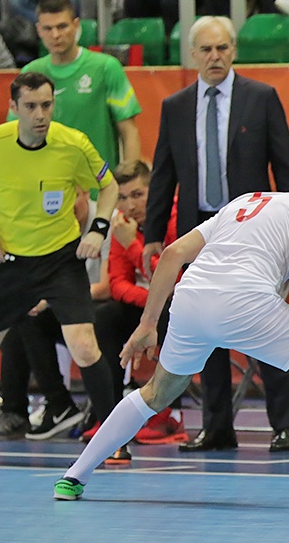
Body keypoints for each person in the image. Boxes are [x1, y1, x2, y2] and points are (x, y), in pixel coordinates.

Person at [54, 174, 289, 504]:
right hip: (246, 301)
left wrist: (148, 324)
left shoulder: (243, 202)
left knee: (155, 393)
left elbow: (172, 254)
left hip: (191, 299)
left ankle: (74, 476)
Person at [143, 16, 289, 454]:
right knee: (203, 326)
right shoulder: (176, 106)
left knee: (266, 324)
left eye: (222, 49)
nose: (215, 57)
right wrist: (154, 234)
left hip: (254, 234)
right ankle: (216, 427)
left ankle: (284, 425)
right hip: (200, 231)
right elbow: (164, 174)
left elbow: (286, 170)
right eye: (206, 50)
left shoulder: (261, 98)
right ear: (192, 55)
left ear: (233, 51)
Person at [0, 72, 123, 459]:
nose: (40, 114)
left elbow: (109, 186)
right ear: (14, 108)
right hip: (10, 263)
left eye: (47, 105)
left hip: (60, 262)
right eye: (31, 106)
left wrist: (98, 230)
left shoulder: (74, 145)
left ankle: (113, 441)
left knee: (85, 347)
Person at [0, 187, 109, 441]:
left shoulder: (104, 222)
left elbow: (106, 286)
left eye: (73, 197)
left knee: (88, 336)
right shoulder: (46, 224)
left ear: (83, 192)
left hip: (99, 302)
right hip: (60, 301)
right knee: (23, 316)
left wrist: (49, 300)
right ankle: (45, 408)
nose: (67, 206)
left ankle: (110, 426)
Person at [94, 159, 184, 445]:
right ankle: (108, 414)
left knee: (173, 314)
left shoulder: (176, 218)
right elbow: (118, 284)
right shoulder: (122, 225)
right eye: (121, 197)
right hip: (149, 307)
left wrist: (133, 244)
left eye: (137, 195)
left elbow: (174, 282)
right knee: (105, 317)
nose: (129, 205)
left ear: (154, 192)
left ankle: (171, 412)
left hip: (182, 308)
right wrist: (150, 303)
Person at [20, 0, 142, 170]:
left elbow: (129, 131)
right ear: (39, 30)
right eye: (48, 28)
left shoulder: (106, 67)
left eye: (62, 26)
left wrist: (127, 180)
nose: (55, 35)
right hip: (45, 186)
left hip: (98, 189)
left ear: (76, 26)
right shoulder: (30, 73)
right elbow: (18, 131)